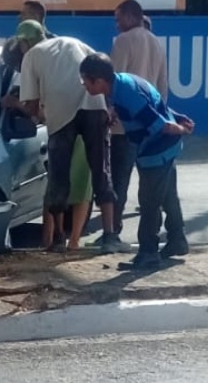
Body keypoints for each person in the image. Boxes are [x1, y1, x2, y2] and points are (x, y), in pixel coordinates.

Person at [8, 20, 123, 252]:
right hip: (94, 103)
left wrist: (15, 105)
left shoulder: (31, 56)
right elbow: (103, 72)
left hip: (60, 111)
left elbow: (31, 106)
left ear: (24, 43)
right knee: (101, 171)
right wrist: (109, 109)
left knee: (59, 176)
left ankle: (59, 238)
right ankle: (110, 235)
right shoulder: (73, 42)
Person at [80, 52, 194, 270]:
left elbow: (161, 126)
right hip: (164, 148)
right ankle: (177, 240)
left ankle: (148, 253)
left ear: (99, 81)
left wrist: (182, 129)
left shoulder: (127, 94)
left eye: (86, 81)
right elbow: (155, 104)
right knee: (168, 196)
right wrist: (177, 116)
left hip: (157, 150)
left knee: (149, 201)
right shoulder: (122, 83)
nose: (84, 86)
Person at [106, 0, 170, 244]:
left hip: (124, 125)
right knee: (150, 180)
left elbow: (114, 82)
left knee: (119, 181)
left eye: (119, 18)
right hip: (150, 124)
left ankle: (113, 231)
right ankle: (153, 231)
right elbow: (163, 85)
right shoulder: (156, 42)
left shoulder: (123, 41)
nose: (117, 24)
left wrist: (110, 112)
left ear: (132, 16)